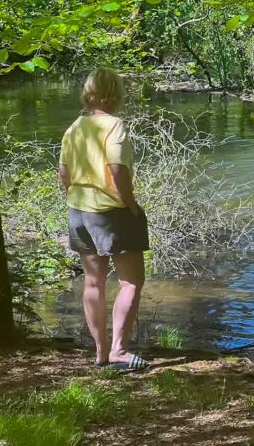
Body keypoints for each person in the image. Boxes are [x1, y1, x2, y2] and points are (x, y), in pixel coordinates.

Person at [59, 68, 150, 371]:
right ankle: (119, 351)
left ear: (88, 93)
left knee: (93, 282)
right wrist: (131, 205)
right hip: (112, 212)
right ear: (115, 94)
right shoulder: (114, 125)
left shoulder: (74, 127)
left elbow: (64, 174)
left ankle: (100, 353)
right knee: (131, 282)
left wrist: (78, 197)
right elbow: (116, 170)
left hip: (79, 211)